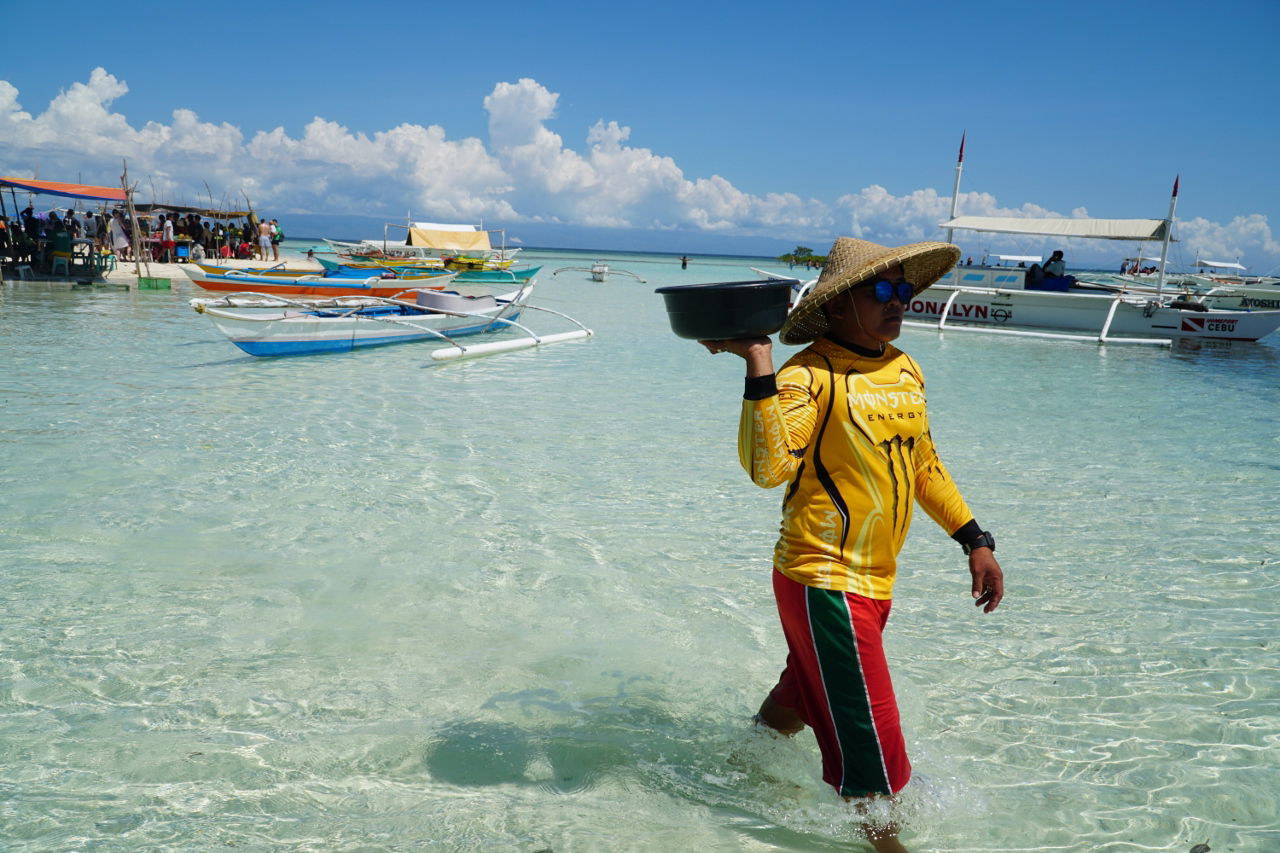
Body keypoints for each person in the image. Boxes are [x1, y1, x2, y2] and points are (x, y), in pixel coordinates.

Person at [700, 236, 1004, 852]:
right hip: (823, 578)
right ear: (838, 306)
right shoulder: (809, 374)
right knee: (869, 728)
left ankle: (735, 770)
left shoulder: (904, 368)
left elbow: (922, 462)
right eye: (882, 291)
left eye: (903, 291)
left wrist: (974, 538)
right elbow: (768, 467)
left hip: (875, 580)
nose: (898, 303)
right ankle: (885, 840)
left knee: (810, 690)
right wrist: (759, 359)